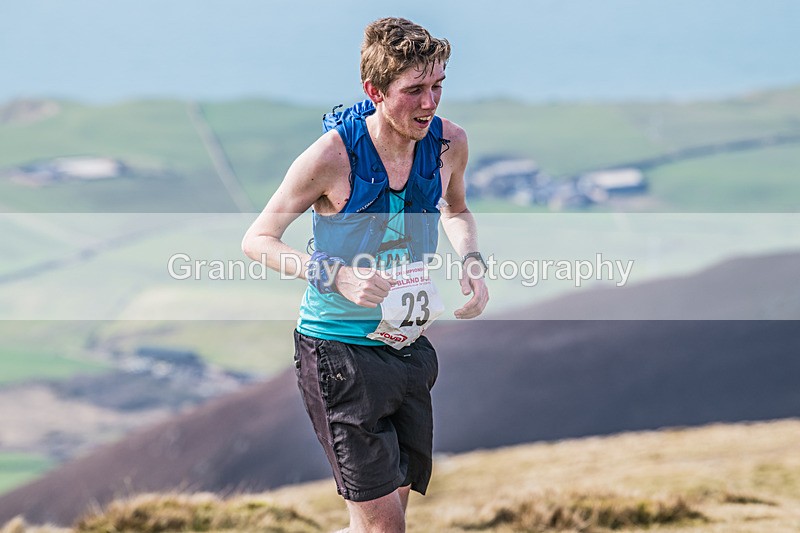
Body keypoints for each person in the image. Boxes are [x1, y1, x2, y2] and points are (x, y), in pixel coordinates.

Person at [242, 17, 489, 533]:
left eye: (438, 86)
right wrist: (337, 275)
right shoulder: (331, 157)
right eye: (414, 90)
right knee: (384, 527)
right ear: (374, 91)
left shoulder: (448, 142)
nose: (430, 103)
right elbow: (257, 240)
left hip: (407, 349)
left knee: (383, 518)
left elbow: (456, 209)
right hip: (339, 354)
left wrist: (471, 259)